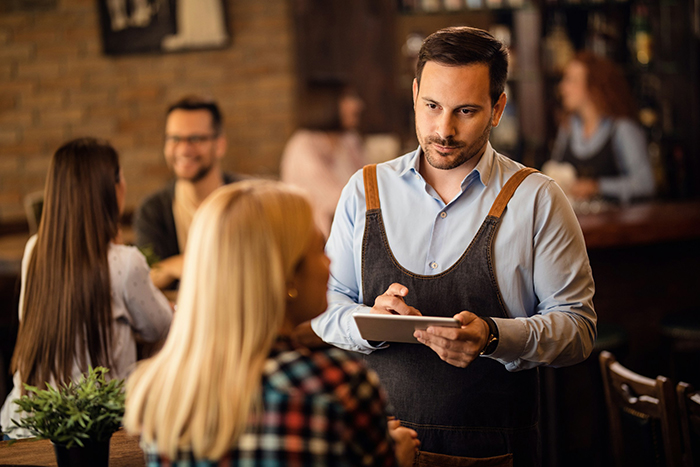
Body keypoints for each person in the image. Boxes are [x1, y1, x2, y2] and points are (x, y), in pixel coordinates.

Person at [311, 27, 597, 466]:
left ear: (498, 108)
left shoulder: (537, 198)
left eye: (465, 110)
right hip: (378, 448)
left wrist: (495, 336)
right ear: (414, 94)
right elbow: (327, 309)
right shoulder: (365, 190)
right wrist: (367, 320)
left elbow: (577, 330)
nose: (443, 129)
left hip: (495, 453)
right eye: (431, 106)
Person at [124, 180, 420, 466]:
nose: (330, 263)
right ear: (287, 276)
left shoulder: (161, 389)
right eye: (318, 249)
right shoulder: (336, 385)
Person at [1, 138, 172, 439]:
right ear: (111, 189)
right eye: (121, 175)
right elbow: (160, 328)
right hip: (95, 431)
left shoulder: (34, 250)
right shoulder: (124, 261)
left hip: (25, 423)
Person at [133, 95, 244, 289]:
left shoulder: (246, 199)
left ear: (219, 145)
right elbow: (142, 281)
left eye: (195, 138)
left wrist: (179, 265)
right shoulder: (153, 210)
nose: (184, 149)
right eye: (175, 138)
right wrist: (171, 267)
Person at [548, 51, 655, 203]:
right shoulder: (568, 128)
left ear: (593, 86)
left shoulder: (622, 129)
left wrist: (597, 187)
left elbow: (645, 184)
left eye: (570, 80)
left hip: (616, 224)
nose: (562, 87)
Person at [280, 81, 365, 238]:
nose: (358, 105)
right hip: (314, 241)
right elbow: (339, 198)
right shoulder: (303, 145)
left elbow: (367, 183)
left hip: (351, 233)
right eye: (348, 98)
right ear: (326, 104)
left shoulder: (349, 140)